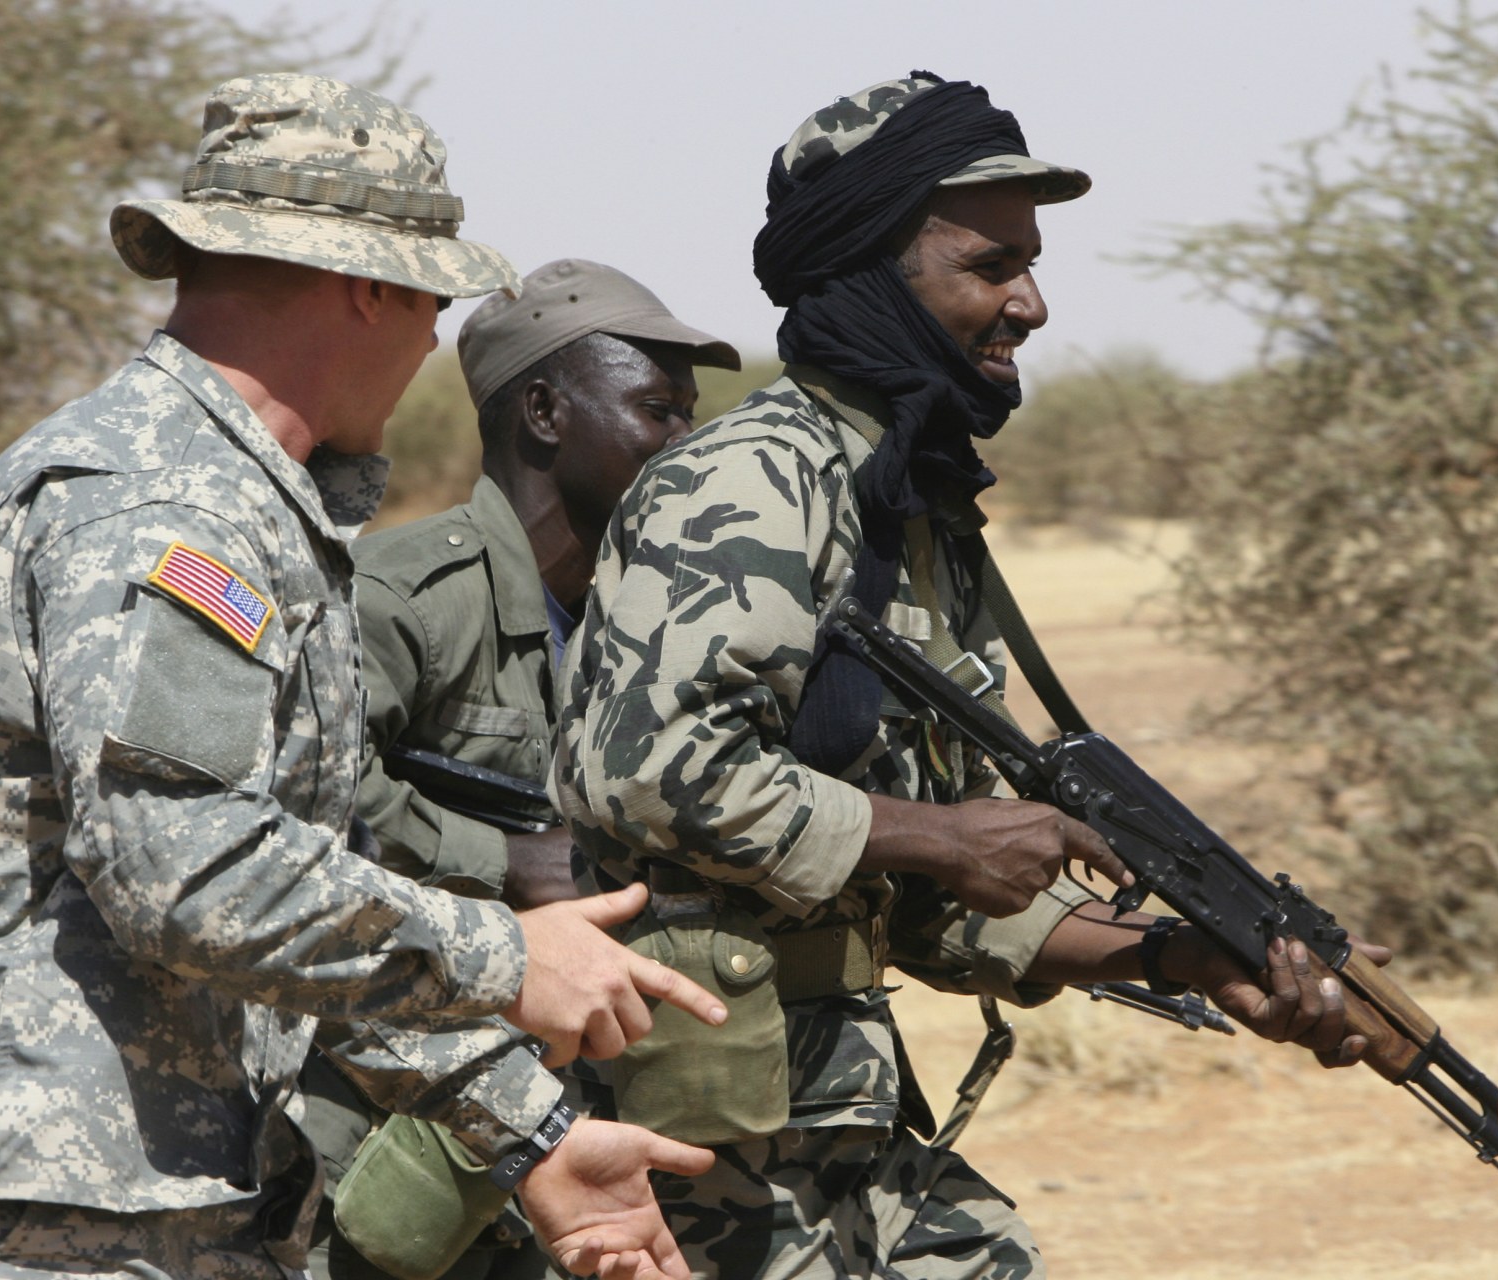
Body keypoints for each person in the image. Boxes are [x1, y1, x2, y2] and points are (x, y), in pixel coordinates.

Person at [0, 74, 723, 1280]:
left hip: (150, 1220)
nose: (432, 341)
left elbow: (271, 914)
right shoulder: (164, 505)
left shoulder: (244, 505)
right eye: (430, 300)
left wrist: (531, 1131)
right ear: (368, 284)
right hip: (30, 1231)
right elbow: (184, 869)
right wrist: (506, 956)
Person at [554, 72, 1389, 1279]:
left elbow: (940, 892)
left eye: (1029, 265)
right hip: (685, 1131)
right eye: (991, 267)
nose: (1032, 303)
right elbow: (639, 770)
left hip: (828, 1109)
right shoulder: (747, 484)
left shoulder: (908, 506)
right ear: (875, 270)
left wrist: (1179, 956)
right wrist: (943, 838)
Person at [305, 259, 740, 1279]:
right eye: (657, 410)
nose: (686, 445)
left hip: (577, 1122)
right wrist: (503, 859)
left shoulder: (648, 622)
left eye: (692, 414)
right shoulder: (401, 596)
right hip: (391, 1121)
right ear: (545, 410)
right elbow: (303, 798)